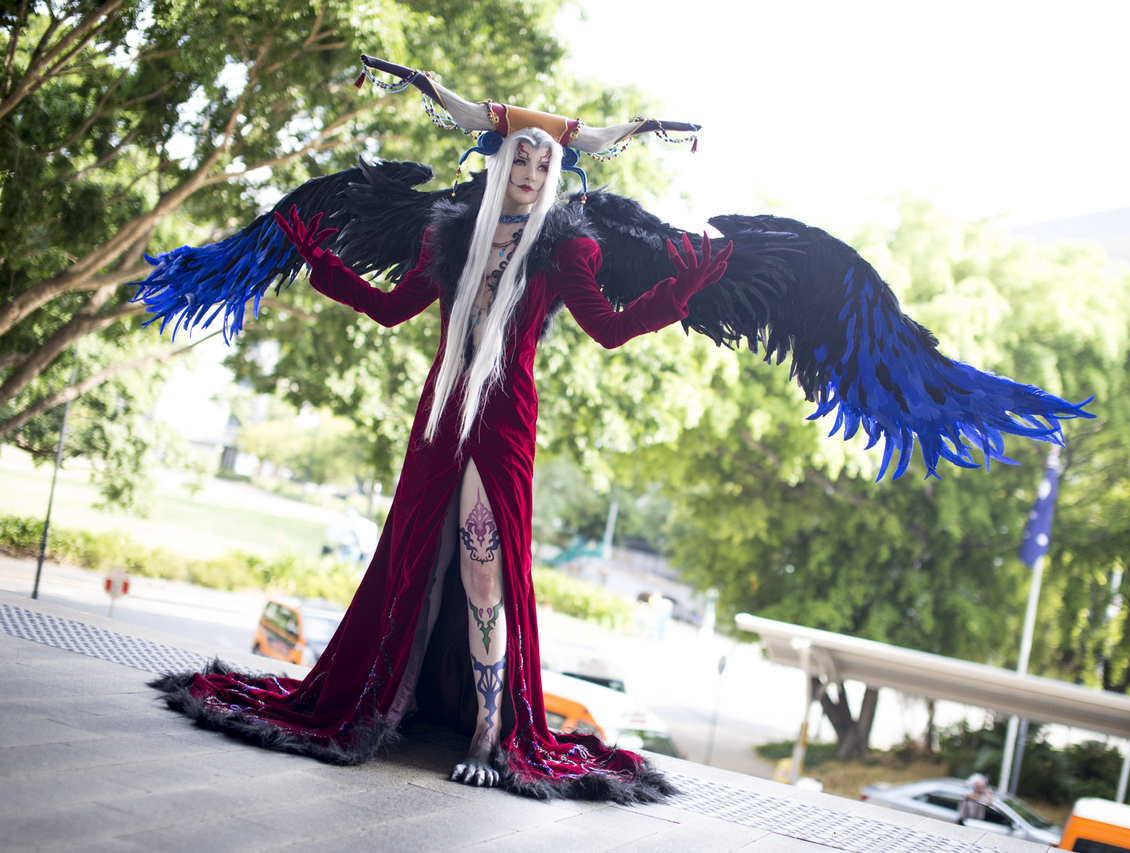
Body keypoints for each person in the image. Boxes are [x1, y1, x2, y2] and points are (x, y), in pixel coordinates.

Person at [151, 124, 730, 803]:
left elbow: (608, 327)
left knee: (485, 574)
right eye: (523, 155)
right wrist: (324, 266)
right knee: (419, 561)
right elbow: (393, 308)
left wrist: (678, 291)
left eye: (547, 161)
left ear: (554, 175)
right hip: (441, 411)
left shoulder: (566, 245)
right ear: (501, 161)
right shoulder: (449, 235)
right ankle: (385, 707)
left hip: (506, 415)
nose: (534, 168)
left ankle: (489, 733)